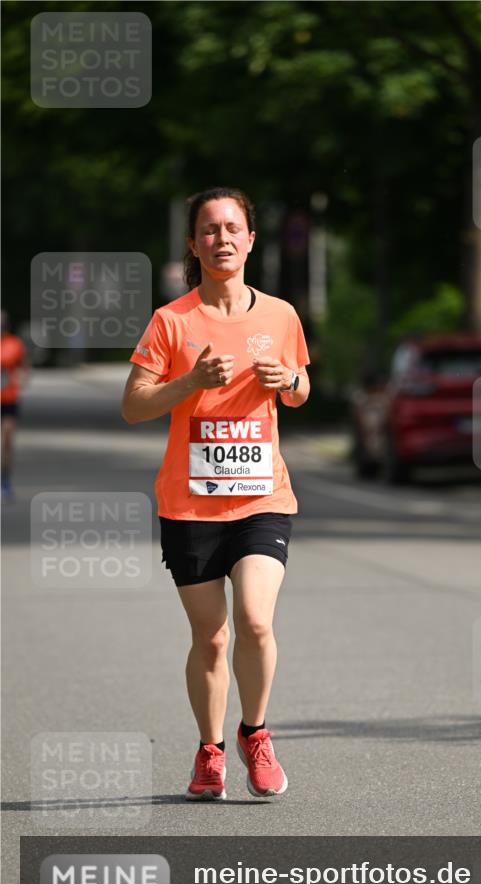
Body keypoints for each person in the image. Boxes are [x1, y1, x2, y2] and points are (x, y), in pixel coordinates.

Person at [122, 187, 310, 801]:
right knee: (213, 637)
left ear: (251, 239)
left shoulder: (281, 315)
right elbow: (133, 405)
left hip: (262, 498)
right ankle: (210, 750)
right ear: (193, 244)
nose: (221, 239)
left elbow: (301, 386)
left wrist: (291, 383)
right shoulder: (172, 321)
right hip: (191, 504)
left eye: (232, 228)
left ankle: (255, 733)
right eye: (209, 230)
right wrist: (190, 381)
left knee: (256, 620)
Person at [1, 310, 30, 499]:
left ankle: (5, 480)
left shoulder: (14, 344)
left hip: (9, 399)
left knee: (7, 440)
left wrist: (22, 380)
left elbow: (24, 367)